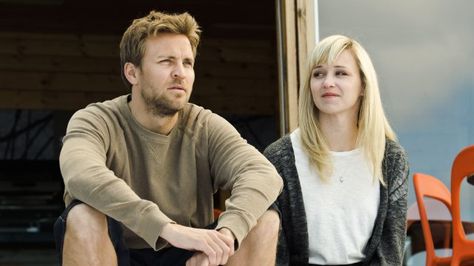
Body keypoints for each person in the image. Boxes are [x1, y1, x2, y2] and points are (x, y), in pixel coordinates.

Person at [54, 10, 283, 266]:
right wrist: (166, 228)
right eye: (166, 61)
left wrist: (225, 237)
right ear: (132, 73)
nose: (180, 73)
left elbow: (262, 174)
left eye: (187, 63)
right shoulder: (96, 120)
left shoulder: (204, 125)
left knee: (264, 217)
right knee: (83, 216)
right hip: (118, 253)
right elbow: (81, 175)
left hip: (190, 256)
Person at [264, 35, 409, 265]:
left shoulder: (390, 158)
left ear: (363, 85)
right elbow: (276, 253)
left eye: (340, 73)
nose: (327, 82)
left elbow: (390, 253)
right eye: (318, 74)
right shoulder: (280, 157)